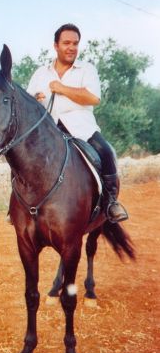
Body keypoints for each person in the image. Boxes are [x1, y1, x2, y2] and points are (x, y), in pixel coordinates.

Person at [27, 23, 128, 223]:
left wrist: (62, 88)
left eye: (75, 43)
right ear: (56, 45)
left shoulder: (86, 70)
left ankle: (110, 202)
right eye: (66, 43)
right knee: (22, 157)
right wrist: (35, 100)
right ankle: (18, 204)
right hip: (48, 132)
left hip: (82, 129)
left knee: (106, 151)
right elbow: (27, 101)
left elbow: (93, 98)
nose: (71, 47)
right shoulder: (40, 73)